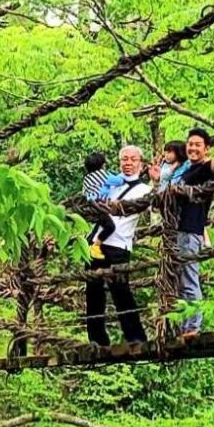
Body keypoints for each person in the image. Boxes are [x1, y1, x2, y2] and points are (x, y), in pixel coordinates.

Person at [159, 118, 214, 335]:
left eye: (198, 145)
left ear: (206, 148)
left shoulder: (205, 169)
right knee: (176, 279)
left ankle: (192, 327)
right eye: (190, 144)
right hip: (176, 231)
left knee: (189, 278)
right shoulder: (185, 172)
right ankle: (183, 326)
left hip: (190, 230)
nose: (193, 148)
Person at [84, 144, 150, 348]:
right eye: (124, 159)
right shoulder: (111, 183)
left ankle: (136, 338)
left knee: (120, 290)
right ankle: (97, 340)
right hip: (96, 242)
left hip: (119, 246)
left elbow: (159, 202)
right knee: (93, 292)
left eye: (132, 159)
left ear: (141, 164)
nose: (128, 163)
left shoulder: (145, 190)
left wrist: (158, 178)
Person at [82, 149, 119, 255]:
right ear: (102, 165)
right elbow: (118, 181)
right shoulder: (103, 175)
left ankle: (89, 243)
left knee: (98, 226)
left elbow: (85, 193)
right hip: (100, 206)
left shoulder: (86, 178)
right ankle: (95, 246)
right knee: (110, 227)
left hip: (91, 207)